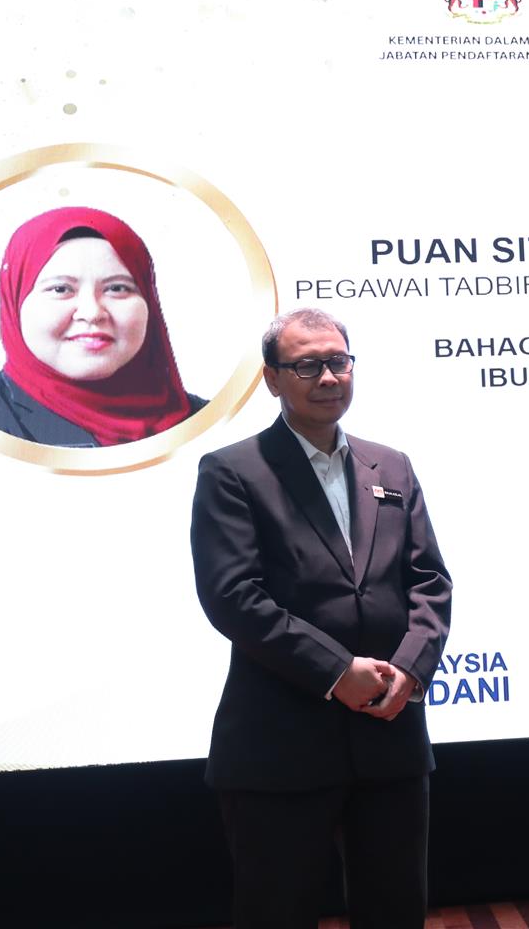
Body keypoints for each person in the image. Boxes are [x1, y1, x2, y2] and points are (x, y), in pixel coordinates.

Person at [191, 308, 453, 929]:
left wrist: (410, 672)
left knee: (396, 912)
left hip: (390, 736)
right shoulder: (233, 471)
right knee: (276, 913)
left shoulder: (391, 465)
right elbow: (233, 597)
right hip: (280, 743)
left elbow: (430, 581)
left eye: (338, 361)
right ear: (272, 379)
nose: (329, 377)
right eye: (307, 365)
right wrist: (337, 672)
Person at [0, 206, 204, 446]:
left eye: (117, 288)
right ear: (14, 301)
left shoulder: (205, 424)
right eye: (61, 289)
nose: (92, 313)